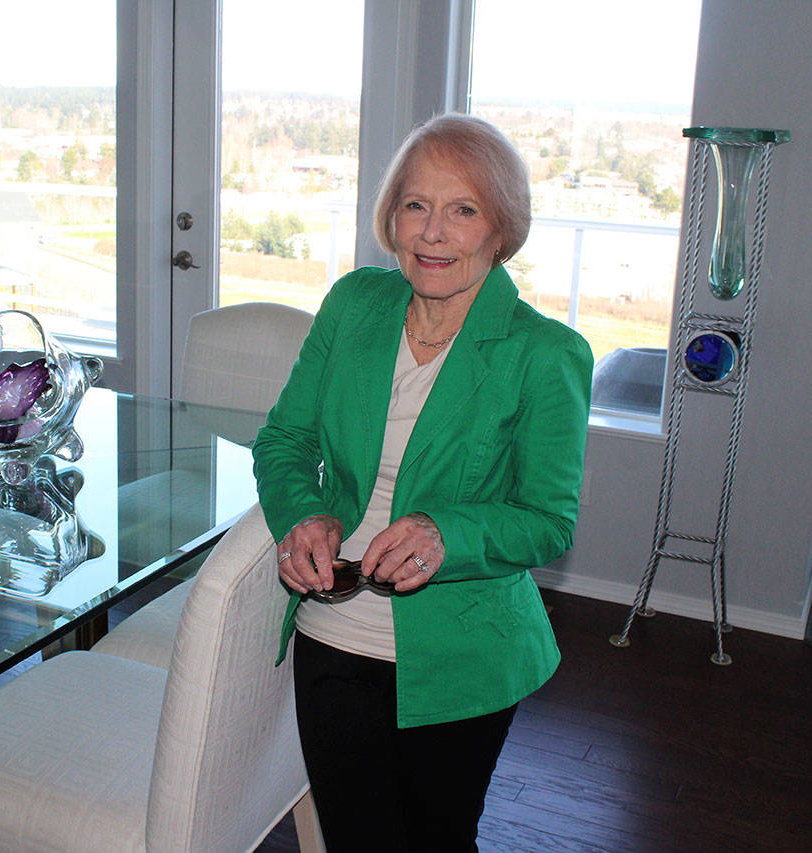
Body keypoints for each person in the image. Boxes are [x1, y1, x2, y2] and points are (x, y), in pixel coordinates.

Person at [252, 113, 593, 851]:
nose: (434, 232)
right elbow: (284, 438)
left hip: (463, 648)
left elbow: (547, 519)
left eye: (463, 210)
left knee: (436, 839)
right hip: (334, 626)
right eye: (416, 206)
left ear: (500, 229)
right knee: (356, 835)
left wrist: (449, 532)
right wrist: (302, 514)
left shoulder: (548, 353)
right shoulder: (353, 305)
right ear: (392, 219)